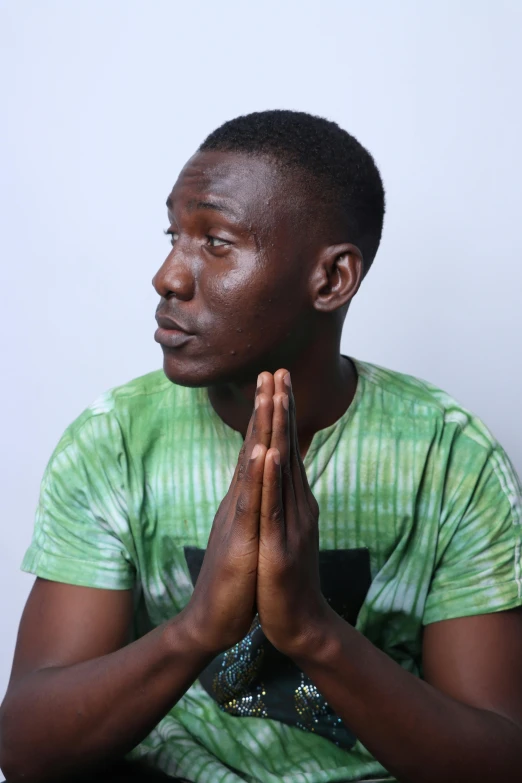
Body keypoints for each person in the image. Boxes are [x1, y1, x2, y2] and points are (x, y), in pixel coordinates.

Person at [1, 110, 521, 783]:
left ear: (331, 280)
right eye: (173, 235)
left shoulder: (450, 457)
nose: (168, 276)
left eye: (215, 242)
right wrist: (196, 628)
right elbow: (25, 748)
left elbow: (499, 761)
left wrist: (312, 628)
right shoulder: (115, 438)